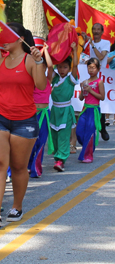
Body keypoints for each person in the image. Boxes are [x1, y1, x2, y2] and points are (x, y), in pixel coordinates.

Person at [0, 22, 46, 227]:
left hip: (25, 120)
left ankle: (17, 206)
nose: (2, 40)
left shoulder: (30, 60)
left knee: (18, 166)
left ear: (19, 38)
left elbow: (41, 85)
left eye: (6, 36)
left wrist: (40, 61)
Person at [49, 43, 79, 172]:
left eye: (65, 67)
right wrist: (47, 50)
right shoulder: (54, 78)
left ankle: (61, 159)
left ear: (69, 68)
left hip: (66, 111)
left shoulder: (71, 79)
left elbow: (76, 65)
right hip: (55, 110)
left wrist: (74, 50)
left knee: (63, 135)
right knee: (55, 135)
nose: (62, 70)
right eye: (60, 67)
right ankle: (57, 158)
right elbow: (49, 67)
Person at [28, 44, 54, 178]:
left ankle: (36, 168)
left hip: (44, 114)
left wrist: (46, 52)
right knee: (30, 141)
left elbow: (50, 66)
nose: (42, 68)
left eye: (42, 65)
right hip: (32, 114)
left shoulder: (48, 80)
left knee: (41, 141)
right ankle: (27, 166)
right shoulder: (31, 80)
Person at [82, 23, 110, 140]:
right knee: (88, 99)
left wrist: (92, 45)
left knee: (102, 103)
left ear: (102, 31)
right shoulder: (88, 43)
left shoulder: (105, 43)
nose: (96, 31)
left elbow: (101, 57)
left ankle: (102, 128)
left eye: (98, 29)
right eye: (94, 29)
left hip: (102, 76)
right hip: (89, 74)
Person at [77, 58, 105, 163]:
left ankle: (88, 155)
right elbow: (81, 98)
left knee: (90, 132)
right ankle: (87, 147)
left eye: (93, 67)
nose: (91, 70)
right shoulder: (85, 82)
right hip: (85, 109)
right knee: (79, 131)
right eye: (89, 67)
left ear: (98, 69)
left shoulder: (99, 82)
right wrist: (83, 90)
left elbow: (102, 97)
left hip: (94, 110)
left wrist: (90, 90)